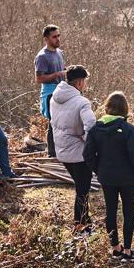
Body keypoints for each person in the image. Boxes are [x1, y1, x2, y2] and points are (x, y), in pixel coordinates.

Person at [84, 92, 134, 261]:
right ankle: (127, 250)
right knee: (128, 213)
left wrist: (99, 170)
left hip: (107, 177)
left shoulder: (96, 129)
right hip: (127, 179)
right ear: (125, 109)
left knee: (110, 211)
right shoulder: (128, 129)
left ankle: (115, 248)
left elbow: (88, 154)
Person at [50, 65, 96, 234]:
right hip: (78, 153)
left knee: (80, 187)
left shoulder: (54, 98)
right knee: (82, 191)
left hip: (62, 150)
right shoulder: (82, 102)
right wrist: (85, 138)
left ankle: (85, 220)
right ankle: (81, 225)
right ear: (79, 82)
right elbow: (91, 126)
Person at [35, 25, 66, 158]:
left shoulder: (60, 53)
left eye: (59, 35)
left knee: (63, 122)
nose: (58, 39)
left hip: (61, 90)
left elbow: (62, 70)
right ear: (46, 39)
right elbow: (39, 78)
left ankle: (62, 151)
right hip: (49, 93)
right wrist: (57, 74)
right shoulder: (42, 56)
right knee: (53, 123)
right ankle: (52, 154)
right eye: (54, 37)